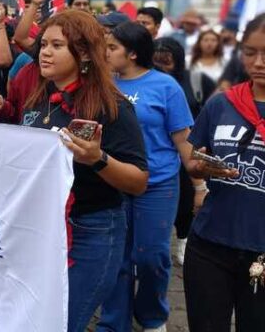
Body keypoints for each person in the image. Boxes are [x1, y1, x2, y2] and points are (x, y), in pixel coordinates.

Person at [15, 10, 149, 332]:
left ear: (85, 52)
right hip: (42, 227)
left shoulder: (111, 106)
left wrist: (98, 159)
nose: (44, 52)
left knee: (60, 324)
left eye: (57, 45)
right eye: (44, 44)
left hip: (92, 232)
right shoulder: (39, 96)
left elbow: (138, 181)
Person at [98, 22, 194, 332]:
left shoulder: (166, 87)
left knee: (152, 257)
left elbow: (182, 140)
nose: (106, 53)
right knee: (117, 259)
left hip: (158, 184)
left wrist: (201, 184)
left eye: (112, 48)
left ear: (134, 53)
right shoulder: (103, 84)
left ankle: (153, 316)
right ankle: (114, 322)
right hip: (114, 181)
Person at [183, 13, 265, 331]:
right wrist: (202, 171)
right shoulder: (222, 105)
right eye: (250, 52)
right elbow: (192, 160)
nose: (259, 62)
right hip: (210, 244)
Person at [152, 37, 216, 266]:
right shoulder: (149, 82)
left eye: (167, 59)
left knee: (187, 199)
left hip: (190, 147)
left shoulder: (195, 79)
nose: (161, 63)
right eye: (156, 59)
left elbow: (214, 106)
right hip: (160, 150)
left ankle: (184, 238)